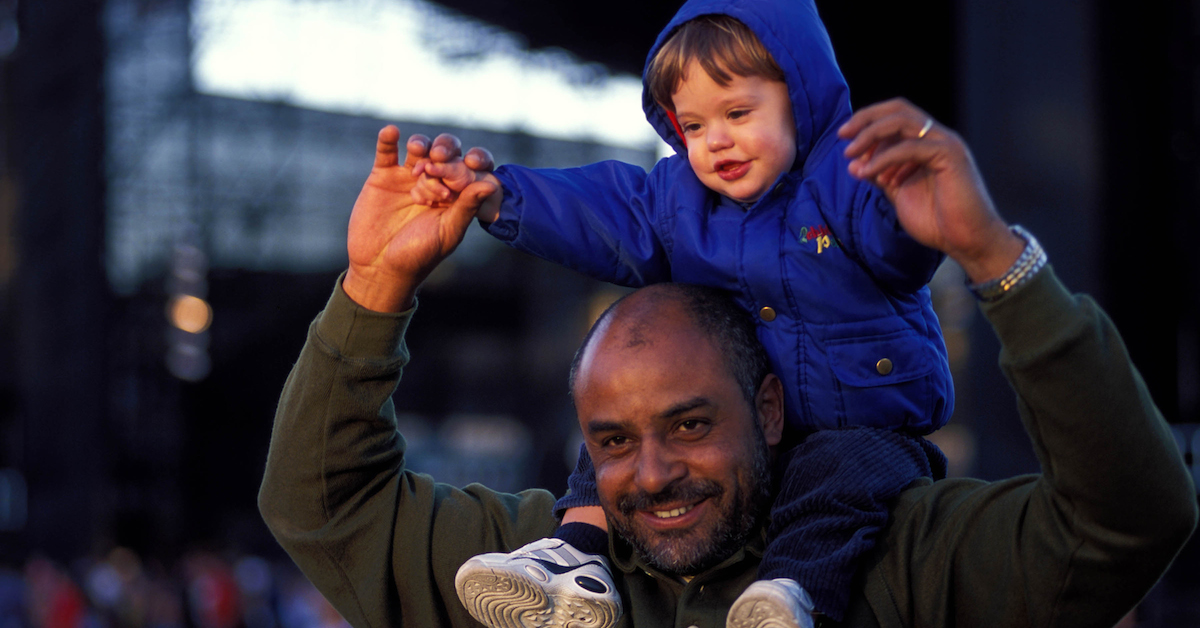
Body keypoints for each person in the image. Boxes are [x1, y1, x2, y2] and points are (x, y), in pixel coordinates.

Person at [258, 97, 1197, 628]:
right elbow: (320, 505)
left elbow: (1131, 520)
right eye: (613, 439)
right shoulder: (527, 578)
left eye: (691, 424)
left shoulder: (904, 550)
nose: (653, 472)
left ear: (772, 406)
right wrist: (374, 288)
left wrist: (996, 259)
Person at [413, 2, 952, 624]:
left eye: (738, 113)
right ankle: (575, 562)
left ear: (801, 101)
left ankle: (791, 595)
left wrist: (915, 209)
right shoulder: (680, 202)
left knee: (834, 485)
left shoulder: (850, 185)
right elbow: (602, 213)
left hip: (863, 422)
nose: (715, 140)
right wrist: (502, 197)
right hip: (738, 428)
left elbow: (898, 246)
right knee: (623, 441)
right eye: (692, 126)